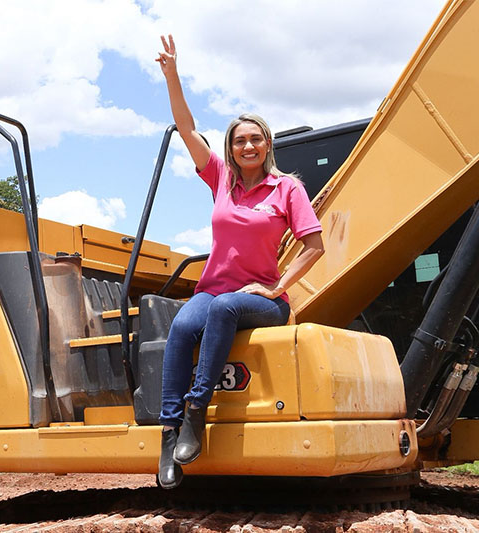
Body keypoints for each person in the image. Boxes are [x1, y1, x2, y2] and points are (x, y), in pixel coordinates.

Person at [154, 34, 326, 489]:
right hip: (212, 290)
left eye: (254, 139)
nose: (247, 146)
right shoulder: (221, 180)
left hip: (263, 299)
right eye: (239, 141)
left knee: (228, 307)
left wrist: (274, 288)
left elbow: (314, 246)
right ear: (230, 149)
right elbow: (188, 131)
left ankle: (196, 413)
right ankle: (169, 436)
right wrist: (173, 77)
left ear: (267, 143)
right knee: (179, 328)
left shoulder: (288, 188)